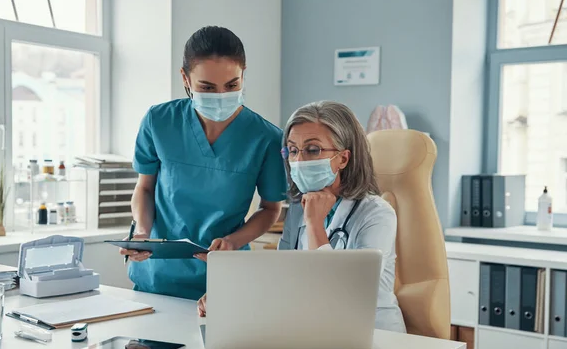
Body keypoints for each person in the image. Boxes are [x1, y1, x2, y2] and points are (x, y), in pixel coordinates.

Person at [120, 26, 287, 305]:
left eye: (232, 85)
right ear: (185, 77)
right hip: (157, 274)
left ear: (244, 75)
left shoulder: (266, 137)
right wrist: (141, 233)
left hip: (223, 278)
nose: (221, 96)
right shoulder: (159, 121)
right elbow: (145, 188)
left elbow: (270, 209)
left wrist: (232, 242)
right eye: (207, 88)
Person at [277, 101, 406, 333]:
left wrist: (315, 224)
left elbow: (346, 292)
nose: (298, 161)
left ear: (343, 159)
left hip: (374, 335)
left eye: (313, 149)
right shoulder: (298, 208)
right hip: (317, 329)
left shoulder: (377, 214)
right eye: (293, 150)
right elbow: (280, 276)